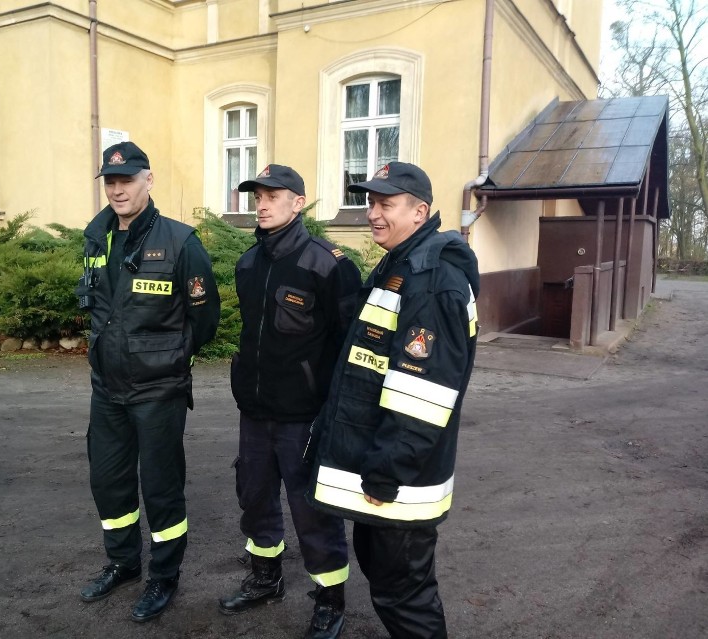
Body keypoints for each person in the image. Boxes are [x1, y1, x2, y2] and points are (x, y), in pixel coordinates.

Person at [305, 162, 479, 638]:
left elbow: (424, 395)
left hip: (399, 483)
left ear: (420, 211)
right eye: (370, 203)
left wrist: (385, 474)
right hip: (387, 474)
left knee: (405, 595)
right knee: (392, 584)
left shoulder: (431, 278)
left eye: (386, 204)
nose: (372, 214)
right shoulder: (402, 264)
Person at [75, 141, 220, 623]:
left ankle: (164, 575)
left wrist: (169, 357)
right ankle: (122, 563)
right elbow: (98, 307)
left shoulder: (181, 241)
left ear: (148, 180)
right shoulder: (97, 237)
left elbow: (204, 320)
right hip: (107, 388)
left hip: (159, 390)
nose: (118, 190)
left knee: (160, 488)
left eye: (127, 180)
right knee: (109, 484)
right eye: (111, 182)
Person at [218, 164, 362, 639]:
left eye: (273, 195)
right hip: (255, 410)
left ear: (298, 203)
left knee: (311, 510)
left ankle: (329, 599)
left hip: (305, 415)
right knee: (254, 496)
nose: (261, 203)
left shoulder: (330, 264)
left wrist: (338, 413)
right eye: (257, 195)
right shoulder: (249, 263)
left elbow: (349, 347)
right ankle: (265, 577)